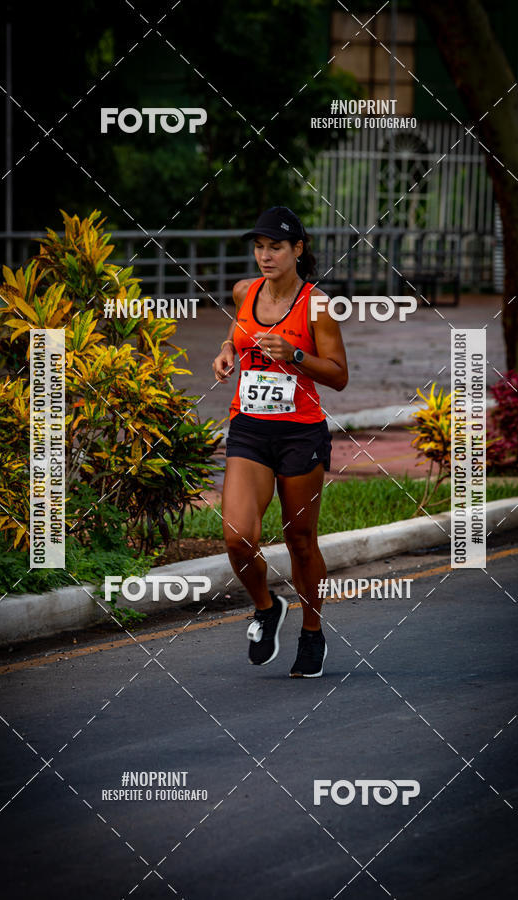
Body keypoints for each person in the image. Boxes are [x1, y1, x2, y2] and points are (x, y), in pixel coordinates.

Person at [212, 206, 348, 677]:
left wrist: (295, 354)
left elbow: (339, 376)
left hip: (300, 433)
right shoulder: (244, 291)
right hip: (249, 428)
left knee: (300, 539)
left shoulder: (319, 306)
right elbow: (236, 335)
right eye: (259, 247)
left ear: (297, 250)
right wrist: (228, 351)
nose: (264, 256)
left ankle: (312, 633)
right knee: (236, 538)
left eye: (275, 247)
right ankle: (267, 608)